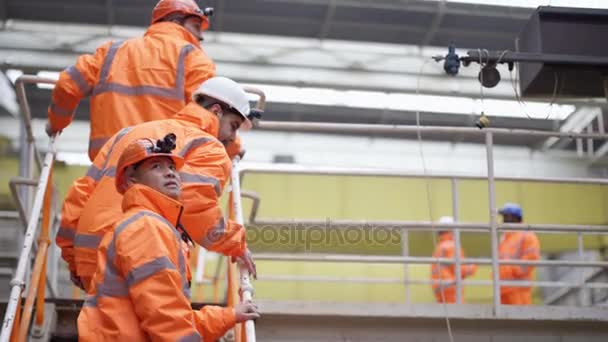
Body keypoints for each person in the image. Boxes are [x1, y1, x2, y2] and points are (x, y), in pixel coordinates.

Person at [56, 77, 255, 291]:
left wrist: (73, 257)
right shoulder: (208, 147)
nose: (233, 138)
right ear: (216, 111)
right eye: (233, 126)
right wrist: (236, 242)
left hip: (91, 258)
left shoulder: (129, 133)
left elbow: (81, 195)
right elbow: (194, 207)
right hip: (144, 258)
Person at [77, 135, 260, 341]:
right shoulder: (146, 226)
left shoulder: (152, 225)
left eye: (172, 168)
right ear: (131, 179)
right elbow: (164, 313)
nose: (170, 173)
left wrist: (229, 315)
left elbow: (170, 311)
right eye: (156, 167)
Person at [45, 0, 217, 161]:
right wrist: (234, 148)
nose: (200, 36)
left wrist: (55, 125)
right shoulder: (195, 59)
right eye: (196, 26)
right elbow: (209, 114)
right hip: (162, 167)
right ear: (176, 21)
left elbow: (67, 85)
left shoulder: (110, 52)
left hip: (108, 167)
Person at [498, 203, 540, 305]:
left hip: (519, 289)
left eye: (506, 216)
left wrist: (511, 270)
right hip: (503, 289)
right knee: (504, 320)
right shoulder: (505, 238)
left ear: (515, 218)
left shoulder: (526, 235)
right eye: (503, 217)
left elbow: (531, 258)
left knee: (519, 319)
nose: (503, 220)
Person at [430, 216, 477, 303]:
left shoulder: (439, 248)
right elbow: (459, 270)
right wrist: (473, 267)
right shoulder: (452, 246)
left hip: (439, 289)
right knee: (456, 314)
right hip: (451, 289)